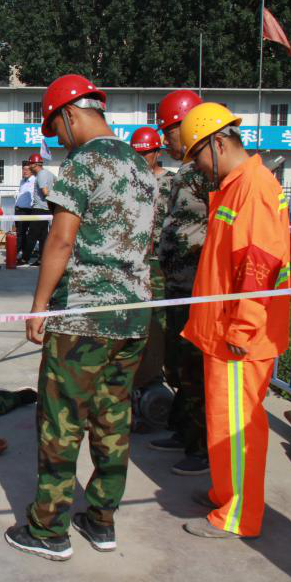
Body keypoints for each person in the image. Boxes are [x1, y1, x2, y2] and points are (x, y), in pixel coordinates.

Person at [6, 74, 157, 562]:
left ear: (70, 114)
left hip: (83, 318)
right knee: (113, 418)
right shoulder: (141, 166)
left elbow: (62, 238)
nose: (57, 140)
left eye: (56, 129)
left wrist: (39, 305)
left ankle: (48, 529)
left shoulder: (82, 163)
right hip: (132, 317)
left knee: (61, 421)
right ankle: (101, 519)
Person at [178, 103, 291, 539]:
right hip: (225, 332)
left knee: (238, 427)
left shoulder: (253, 187)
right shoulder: (237, 186)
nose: (198, 167)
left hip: (239, 336)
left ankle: (239, 515)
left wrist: (242, 329)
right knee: (223, 422)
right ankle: (226, 493)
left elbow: (258, 264)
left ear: (217, 143)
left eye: (197, 156)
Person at [151, 89, 214, 477]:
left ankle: (202, 447)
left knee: (196, 368)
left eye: (169, 132)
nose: (166, 141)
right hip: (177, 286)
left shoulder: (209, 172)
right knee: (178, 365)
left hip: (198, 289)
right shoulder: (185, 175)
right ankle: (183, 429)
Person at [129, 126, 174, 397]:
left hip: (160, 261)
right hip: (135, 260)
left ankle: (158, 371)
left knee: (159, 320)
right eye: (136, 154)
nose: (141, 159)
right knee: (138, 317)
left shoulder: (172, 183)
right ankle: (142, 373)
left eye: (145, 154)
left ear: (157, 152)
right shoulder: (129, 182)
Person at [23, 154, 54, 266]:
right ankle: (41, 259)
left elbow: (45, 192)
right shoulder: (48, 173)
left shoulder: (40, 175)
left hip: (39, 209)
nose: (28, 166)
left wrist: (53, 199)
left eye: (30, 164)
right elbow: (58, 182)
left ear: (35, 164)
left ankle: (24, 258)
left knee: (32, 236)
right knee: (43, 237)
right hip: (46, 209)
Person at [14, 160, 36, 257]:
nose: (25, 171)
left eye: (27, 169)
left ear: (31, 171)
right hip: (18, 209)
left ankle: (20, 252)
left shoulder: (34, 180)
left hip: (27, 210)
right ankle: (21, 251)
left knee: (24, 232)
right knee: (19, 232)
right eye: (23, 169)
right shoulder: (22, 181)